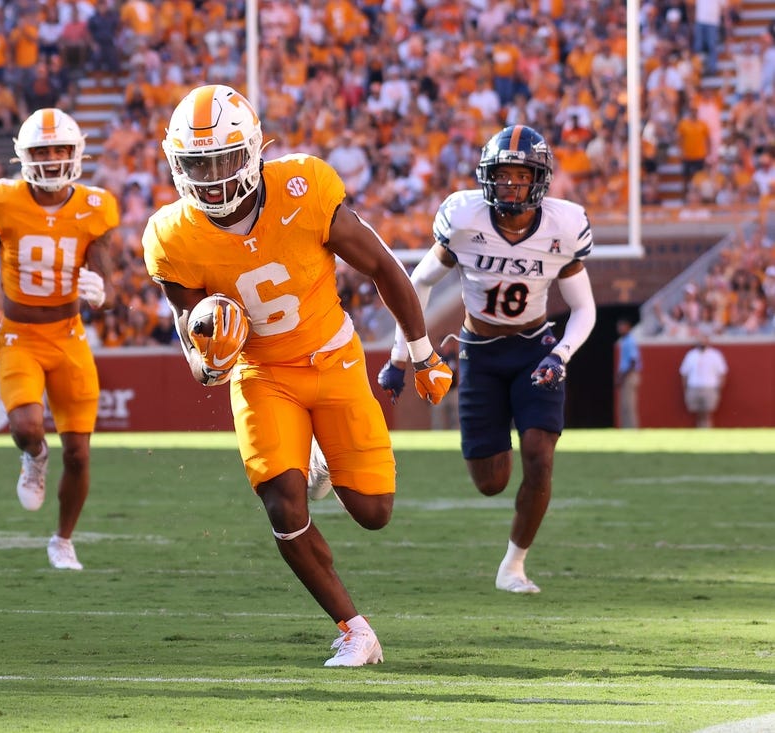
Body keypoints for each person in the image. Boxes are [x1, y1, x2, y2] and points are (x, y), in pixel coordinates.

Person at [142, 85, 452, 667]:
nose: (211, 178)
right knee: (284, 505)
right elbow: (192, 336)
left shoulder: (303, 188)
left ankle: (321, 464)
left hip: (333, 358)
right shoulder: (171, 234)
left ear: (255, 150)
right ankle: (355, 630)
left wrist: (422, 351)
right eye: (197, 164)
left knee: (374, 511)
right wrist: (210, 361)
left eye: (223, 159)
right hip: (262, 374)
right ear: (176, 166)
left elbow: (384, 265)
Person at [378, 124, 598, 595]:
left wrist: (560, 356)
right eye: (503, 175)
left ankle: (513, 566)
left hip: (535, 349)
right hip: (478, 352)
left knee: (540, 456)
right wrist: (401, 356)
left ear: (539, 179)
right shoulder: (464, 218)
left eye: (521, 175)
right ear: (486, 177)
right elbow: (417, 283)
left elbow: (584, 308)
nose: (511, 185)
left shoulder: (563, 225)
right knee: (491, 481)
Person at [0, 108, 118, 571]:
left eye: (59, 150)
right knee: (27, 427)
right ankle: (34, 458)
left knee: (80, 452)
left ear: (76, 153)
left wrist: (102, 293)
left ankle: (63, 540)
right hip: (19, 336)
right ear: (24, 157)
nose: (51, 159)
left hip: (69, 336)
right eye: (41, 151)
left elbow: (108, 285)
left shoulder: (94, 205)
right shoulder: (3, 201)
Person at [679, 335, 728, 428]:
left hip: (710, 386)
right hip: (694, 386)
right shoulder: (691, 355)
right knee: (697, 412)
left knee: (708, 412)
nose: (702, 343)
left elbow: (722, 373)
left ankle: (707, 429)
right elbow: (684, 373)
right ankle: (699, 429)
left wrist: (719, 388)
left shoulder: (715, 355)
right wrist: (686, 388)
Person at [615, 317, 642, 428]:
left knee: (629, 405)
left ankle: (632, 429)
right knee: (625, 405)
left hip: (629, 376)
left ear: (628, 328)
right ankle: (626, 429)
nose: (620, 329)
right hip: (626, 375)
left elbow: (633, 361)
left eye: (623, 326)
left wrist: (622, 376)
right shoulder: (625, 341)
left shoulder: (630, 341)